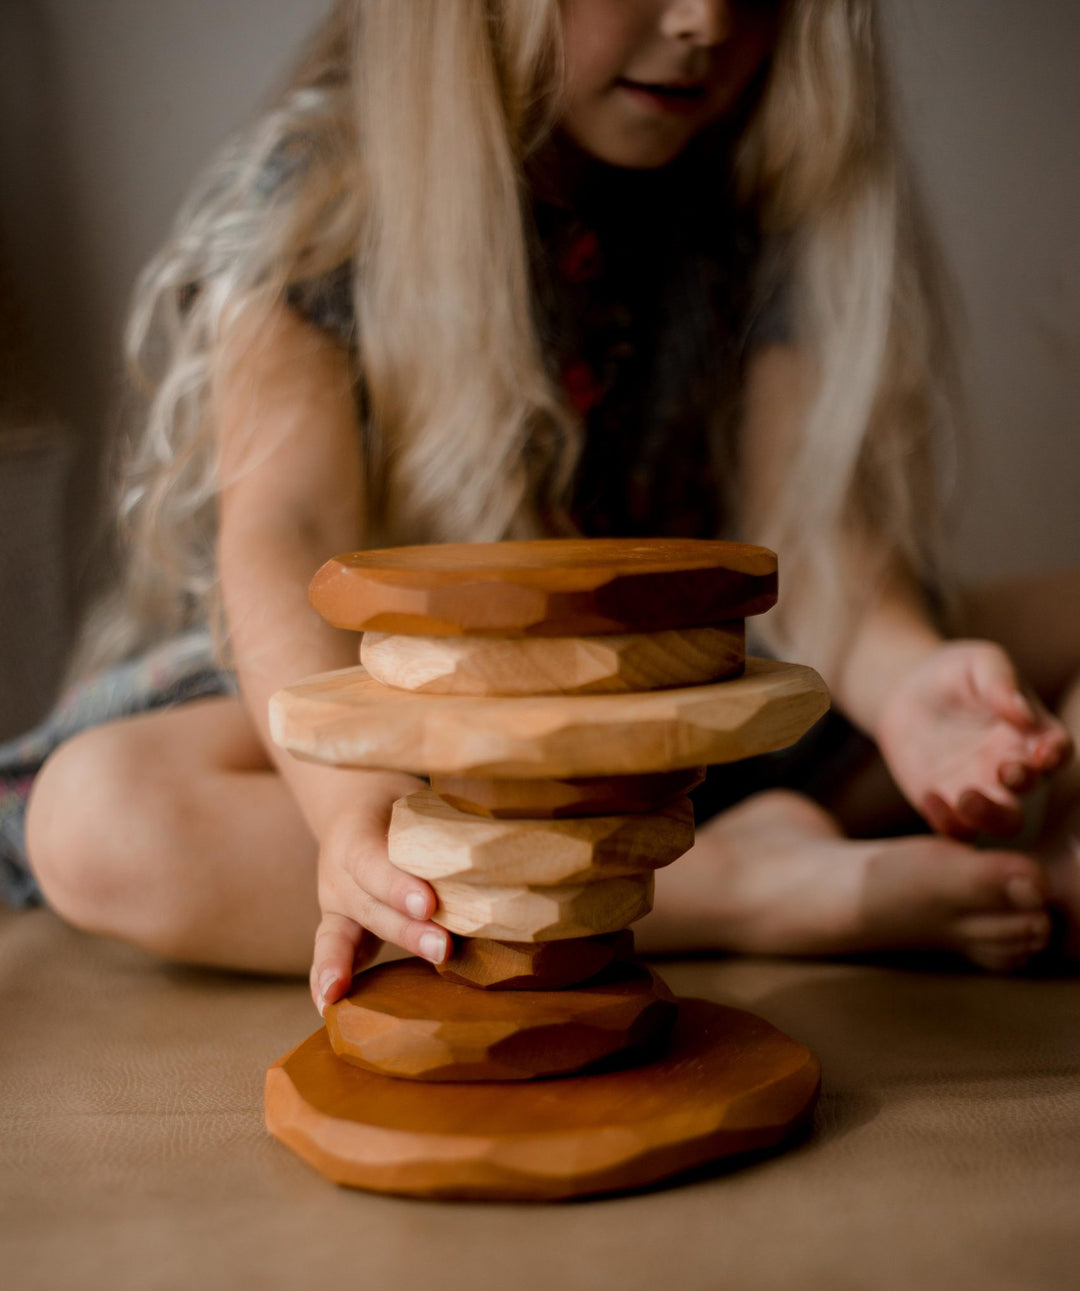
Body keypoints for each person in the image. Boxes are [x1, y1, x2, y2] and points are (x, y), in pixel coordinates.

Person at [6, 0, 1077, 1016]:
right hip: (425, 723)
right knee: (97, 817)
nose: (705, 19)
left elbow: (812, 540)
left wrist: (907, 680)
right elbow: (290, 536)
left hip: (677, 695)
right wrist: (357, 808)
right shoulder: (327, 187)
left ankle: (1010, 858)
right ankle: (742, 888)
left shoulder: (764, 179)